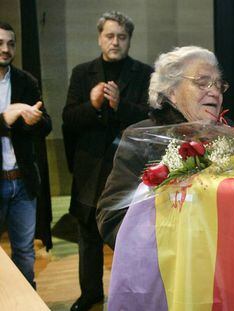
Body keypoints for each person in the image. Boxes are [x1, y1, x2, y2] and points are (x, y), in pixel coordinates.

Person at [62, 11, 153, 311]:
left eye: (122, 37)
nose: (115, 42)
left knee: (129, 239)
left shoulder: (144, 74)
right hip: (90, 169)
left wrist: (119, 104)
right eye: (110, 36)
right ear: (100, 37)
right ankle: (90, 294)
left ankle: (128, 295)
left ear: (129, 40)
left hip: (128, 171)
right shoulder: (81, 72)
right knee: (87, 238)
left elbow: (150, 120)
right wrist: (93, 105)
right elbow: (69, 119)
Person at [96, 45, 229, 249]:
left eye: (219, 85)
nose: (214, 91)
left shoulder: (232, 135)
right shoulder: (141, 139)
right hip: (168, 269)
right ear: (171, 92)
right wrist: (168, 244)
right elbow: (111, 217)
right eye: (202, 82)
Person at [0, 21, 52, 288]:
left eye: (10, 43)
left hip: (22, 181)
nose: (5, 49)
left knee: (24, 251)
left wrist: (35, 120)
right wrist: (3, 119)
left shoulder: (25, 81)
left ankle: (25, 302)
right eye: (0, 43)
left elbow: (47, 124)